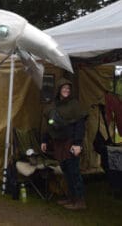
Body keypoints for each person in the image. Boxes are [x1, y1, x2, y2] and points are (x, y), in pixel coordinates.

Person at [41, 78, 88, 210]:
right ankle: (71, 197)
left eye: (68, 88)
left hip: (71, 142)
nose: (66, 90)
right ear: (59, 90)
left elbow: (80, 125)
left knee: (74, 171)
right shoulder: (53, 106)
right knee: (66, 171)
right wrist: (44, 140)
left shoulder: (74, 105)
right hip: (59, 143)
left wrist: (78, 144)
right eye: (64, 88)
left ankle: (79, 200)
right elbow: (49, 125)